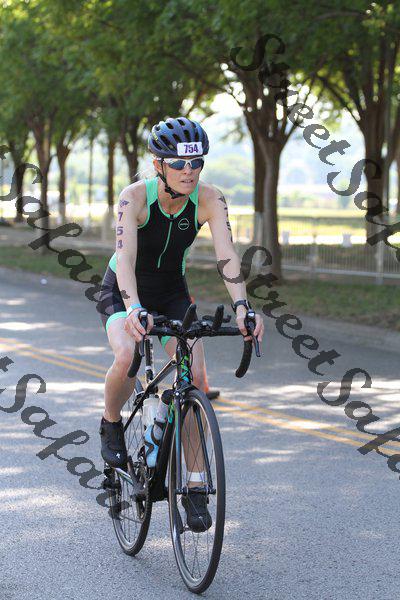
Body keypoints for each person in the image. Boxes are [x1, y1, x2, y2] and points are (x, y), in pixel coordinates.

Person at [98, 117, 264, 530]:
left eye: (196, 163)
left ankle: (193, 485)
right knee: (128, 353)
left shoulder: (210, 198)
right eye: (178, 164)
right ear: (158, 165)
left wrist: (243, 307)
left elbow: (227, 255)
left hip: (173, 291)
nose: (189, 171)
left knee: (195, 380)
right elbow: (126, 260)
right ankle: (111, 422)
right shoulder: (134, 197)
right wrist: (134, 309)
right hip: (124, 288)